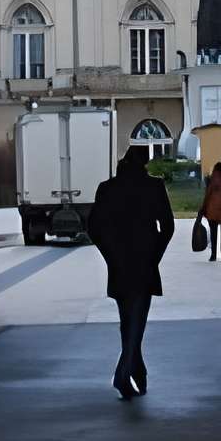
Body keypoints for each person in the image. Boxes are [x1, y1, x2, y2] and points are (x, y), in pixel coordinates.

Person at [86, 143, 173, 400]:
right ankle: (123, 373)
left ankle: (136, 369)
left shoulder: (108, 188)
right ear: (144, 164)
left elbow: (94, 227)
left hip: (119, 260)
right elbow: (167, 227)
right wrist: (155, 254)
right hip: (144, 258)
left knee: (128, 320)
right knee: (137, 320)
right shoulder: (154, 187)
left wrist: (108, 253)